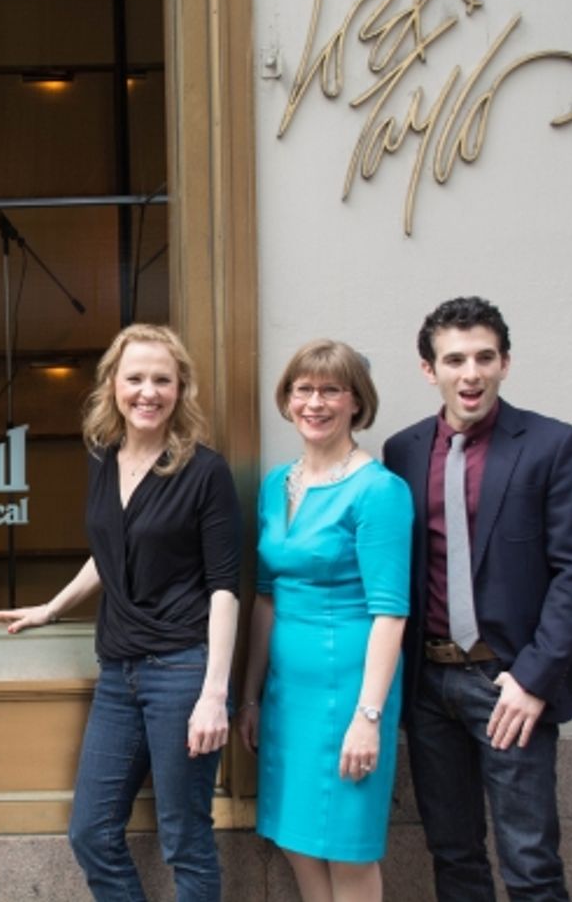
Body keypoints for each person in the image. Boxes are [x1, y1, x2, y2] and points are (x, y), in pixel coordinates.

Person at [0, 324, 240, 902]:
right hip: (118, 673)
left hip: (181, 672)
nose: (147, 391)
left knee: (185, 841)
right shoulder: (103, 457)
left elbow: (225, 589)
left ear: (181, 390)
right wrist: (53, 607)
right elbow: (112, 551)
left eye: (162, 380)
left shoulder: (204, 472)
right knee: (92, 834)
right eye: (135, 378)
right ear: (113, 385)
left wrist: (213, 694)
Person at [383, 297, 572, 902]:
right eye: (454, 360)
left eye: (484, 357)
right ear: (430, 370)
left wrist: (533, 679)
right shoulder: (401, 452)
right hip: (429, 686)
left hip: (510, 683)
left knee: (530, 862)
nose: (470, 374)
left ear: (505, 363)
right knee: (452, 855)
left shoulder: (552, 444)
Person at [237, 340, 411, 902]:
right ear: (287, 400)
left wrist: (368, 716)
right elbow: (265, 599)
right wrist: (251, 697)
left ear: (357, 402)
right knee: (298, 843)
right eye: (303, 389)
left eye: (331, 390)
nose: (315, 402)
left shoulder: (378, 490)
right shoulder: (274, 484)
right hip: (288, 693)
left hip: (350, 690)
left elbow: (391, 613)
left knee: (348, 850)